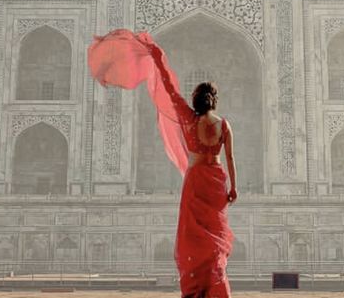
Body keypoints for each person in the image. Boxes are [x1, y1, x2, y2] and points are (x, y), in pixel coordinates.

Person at [88, 29, 237, 298]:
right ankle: (217, 286)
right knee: (214, 237)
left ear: (196, 99)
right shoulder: (224, 125)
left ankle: (197, 290)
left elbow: (168, 89)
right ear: (214, 100)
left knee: (194, 238)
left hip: (195, 181)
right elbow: (231, 159)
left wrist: (157, 58)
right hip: (216, 181)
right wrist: (233, 189)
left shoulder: (189, 121)